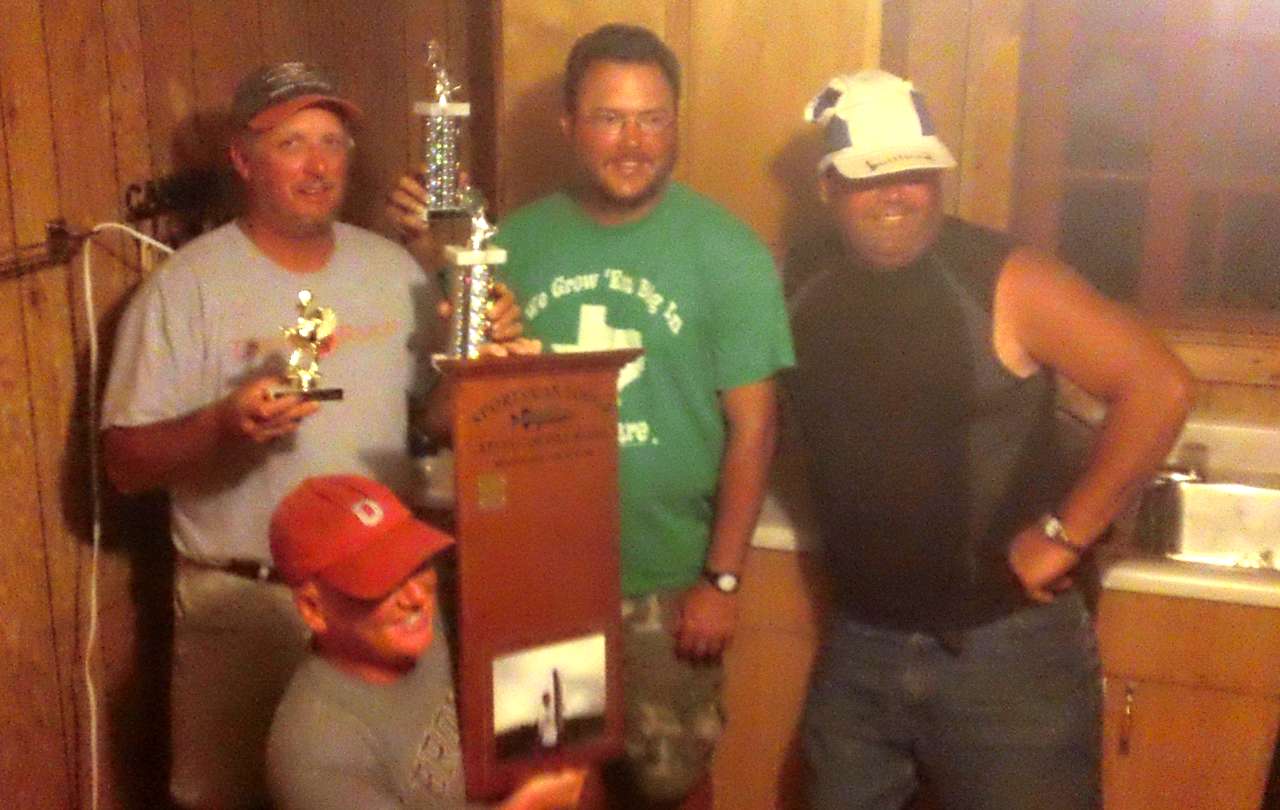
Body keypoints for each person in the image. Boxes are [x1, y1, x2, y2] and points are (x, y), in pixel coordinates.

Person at [388, 23, 795, 808]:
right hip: (536, 582)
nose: (633, 143)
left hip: (666, 582)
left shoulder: (729, 252)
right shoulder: (512, 242)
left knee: (669, 784)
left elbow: (756, 429)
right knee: (548, 785)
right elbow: (453, 412)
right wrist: (430, 249)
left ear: (676, 123)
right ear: (569, 124)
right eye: (610, 118)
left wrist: (721, 579)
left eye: (652, 119)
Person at [100, 62, 523, 808]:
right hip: (245, 604)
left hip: (381, 601)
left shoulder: (393, 270)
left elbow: (430, 420)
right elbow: (124, 464)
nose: (318, 164)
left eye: (332, 142)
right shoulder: (186, 287)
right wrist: (223, 423)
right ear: (243, 159)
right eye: (291, 143)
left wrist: (476, 366)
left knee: (417, 789)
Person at [784, 69, 1194, 809]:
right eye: (870, 177)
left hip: (1005, 654)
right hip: (860, 643)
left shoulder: (1002, 278)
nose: (896, 195)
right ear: (827, 187)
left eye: (915, 174)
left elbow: (1159, 387)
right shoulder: (803, 281)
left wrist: (1066, 534)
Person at [266, 474, 585, 810]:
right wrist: (526, 806)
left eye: (416, 564)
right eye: (381, 580)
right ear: (313, 609)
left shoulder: (448, 611)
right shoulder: (313, 754)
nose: (416, 597)